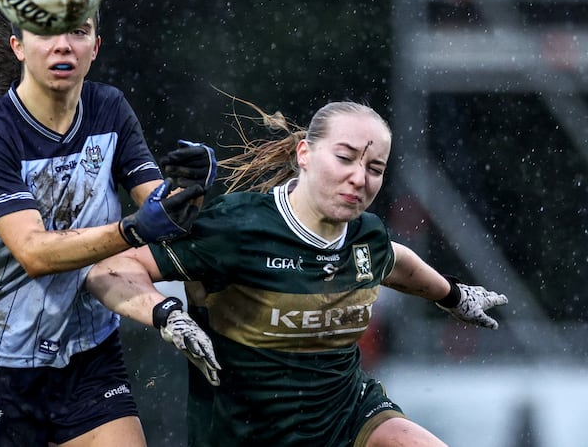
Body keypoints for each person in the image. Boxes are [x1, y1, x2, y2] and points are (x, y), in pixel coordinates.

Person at [85, 100, 509, 447]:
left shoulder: (366, 235)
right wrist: (167, 315)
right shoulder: (237, 228)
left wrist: (453, 296)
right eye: (344, 158)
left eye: (375, 168)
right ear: (304, 154)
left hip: (350, 417)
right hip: (247, 435)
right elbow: (110, 269)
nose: (359, 178)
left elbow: (395, 261)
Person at [0, 0, 216, 447]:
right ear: (18, 46)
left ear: (95, 47)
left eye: (78, 32)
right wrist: (132, 230)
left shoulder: (108, 108)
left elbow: (160, 208)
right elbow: (34, 253)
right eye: (47, 32)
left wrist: (190, 189)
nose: (63, 45)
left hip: (88, 350)